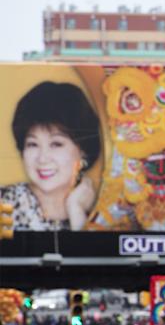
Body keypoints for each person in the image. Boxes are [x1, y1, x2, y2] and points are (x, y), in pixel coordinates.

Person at [0, 81, 101, 231]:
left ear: (83, 150)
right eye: (32, 144)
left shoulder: (106, 209)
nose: (42, 158)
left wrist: (76, 211)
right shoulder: (4, 204)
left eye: (56, 144)